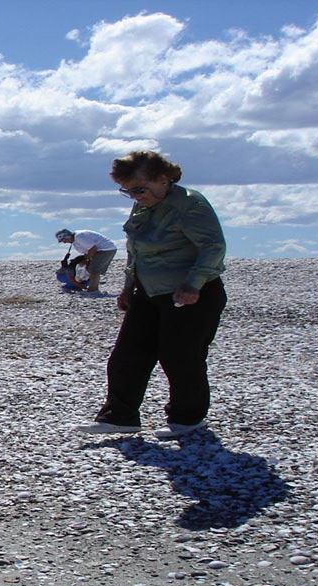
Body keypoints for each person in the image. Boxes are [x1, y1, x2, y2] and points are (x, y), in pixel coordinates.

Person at [78, 150, 227, 439]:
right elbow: (136, 251)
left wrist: (193, 284)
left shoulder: (189, 204)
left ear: (163, 179)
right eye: (127, 191)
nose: (134, 196)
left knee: (180, 356)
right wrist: (127, 288)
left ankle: (188, 418)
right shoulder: (145, 206)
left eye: (139, 189)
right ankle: (120, 416)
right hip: (148, 291)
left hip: (191, 293)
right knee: (127, 355)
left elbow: (213, 248)